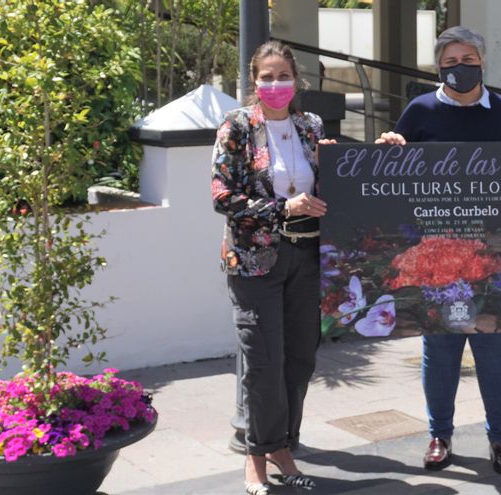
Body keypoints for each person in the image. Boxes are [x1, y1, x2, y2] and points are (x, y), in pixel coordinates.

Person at [376, 26, 501, 475]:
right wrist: (389, 147)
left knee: (495, 351)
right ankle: (440, 436)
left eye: (467, 59)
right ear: (438, 67)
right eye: (450, 62)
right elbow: (389, 174)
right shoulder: (420, 110)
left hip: (492, 257)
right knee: (440, 351)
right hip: (437, 256)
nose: (460, 68)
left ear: (482, 62)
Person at [212, 41, 335, 494]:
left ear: (296, 81)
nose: (275, 84)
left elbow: (327, 186)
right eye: (267, 77)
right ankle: (256, 459)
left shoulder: (310, 126)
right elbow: (222, 196)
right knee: (263, 361)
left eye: (283, 75)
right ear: (254, 80)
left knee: (299, 359)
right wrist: (283, 208)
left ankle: (283, 447)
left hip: (306, 257)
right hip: (255, 261)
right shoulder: (237, 126)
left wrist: (335, 165)